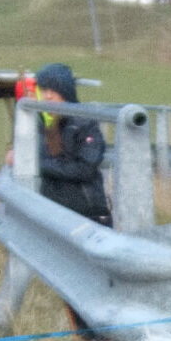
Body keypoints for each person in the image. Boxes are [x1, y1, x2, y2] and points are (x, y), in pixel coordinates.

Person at [32, 62, 109, 223]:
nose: (48, 96)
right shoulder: (40, 124)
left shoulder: (85, 124)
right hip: (53, 215)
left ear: (66, 92)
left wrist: (37, 164)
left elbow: (84, 169)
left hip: (89, 215)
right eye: (44, 90)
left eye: (54, 90)